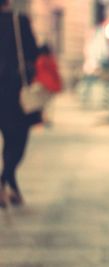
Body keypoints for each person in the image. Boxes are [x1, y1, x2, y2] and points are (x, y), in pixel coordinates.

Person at [0, 0, 39, 207]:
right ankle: (3, 180)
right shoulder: (18, 21)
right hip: (13, 91)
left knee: (9, 141)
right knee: (17, 141)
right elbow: (32, 52)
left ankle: (12, 188)